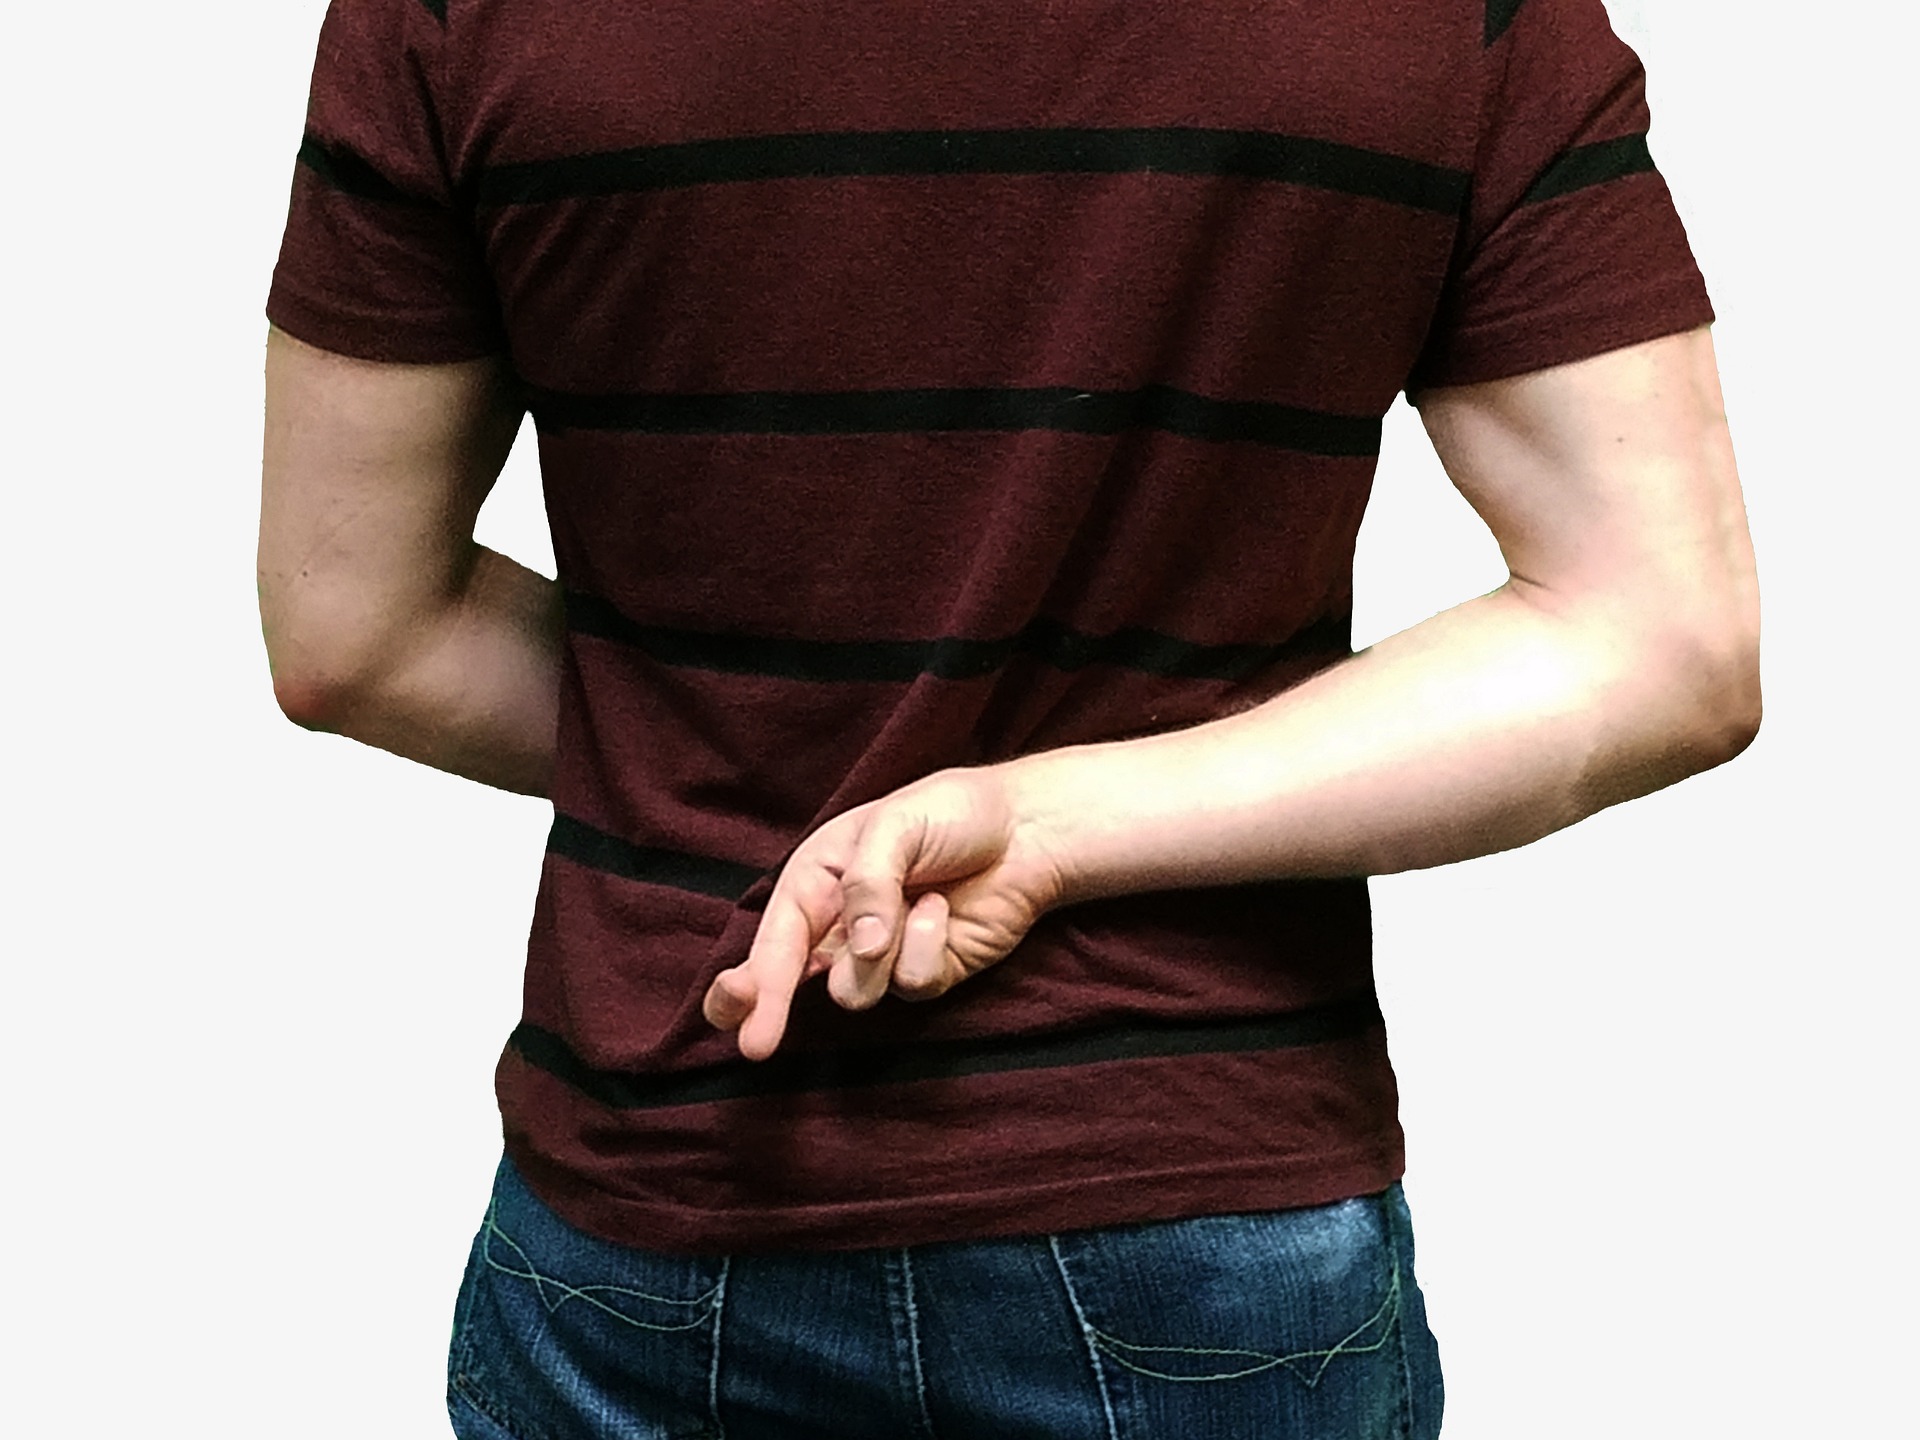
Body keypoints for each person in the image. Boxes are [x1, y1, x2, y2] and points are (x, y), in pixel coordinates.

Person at [258, 0, 1759, 1434]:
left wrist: (733, 750)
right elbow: (1660, 642)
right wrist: (1044, 824)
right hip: (1199, 1185)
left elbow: (356, 633)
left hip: (660, 1181)